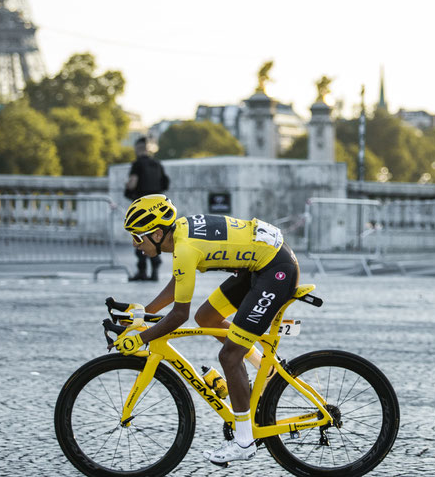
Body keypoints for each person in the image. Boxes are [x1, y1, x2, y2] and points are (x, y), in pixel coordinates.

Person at [114, 194, 300, 466]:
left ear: (155, 233)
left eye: (137, 237)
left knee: (229, 356)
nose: (135, 244)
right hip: (262, 264)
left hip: (276, 270)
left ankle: (244, 442)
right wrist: (143, 314)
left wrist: (140, 339)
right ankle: (266, 368)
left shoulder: (186, 248)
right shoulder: (181, 235)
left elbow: (179, 314)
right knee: (207, 316)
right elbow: (179, 282)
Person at [123, 137, 169, 282]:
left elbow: (132, 183)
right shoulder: (157, 164)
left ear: (138, 148)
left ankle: (142, 270)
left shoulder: (137, 164)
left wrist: (128, 189)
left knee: (139, 237)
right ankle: (155, 270)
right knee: (155, 237)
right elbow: (165, 183)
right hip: (157, 207)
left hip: (142, 208)